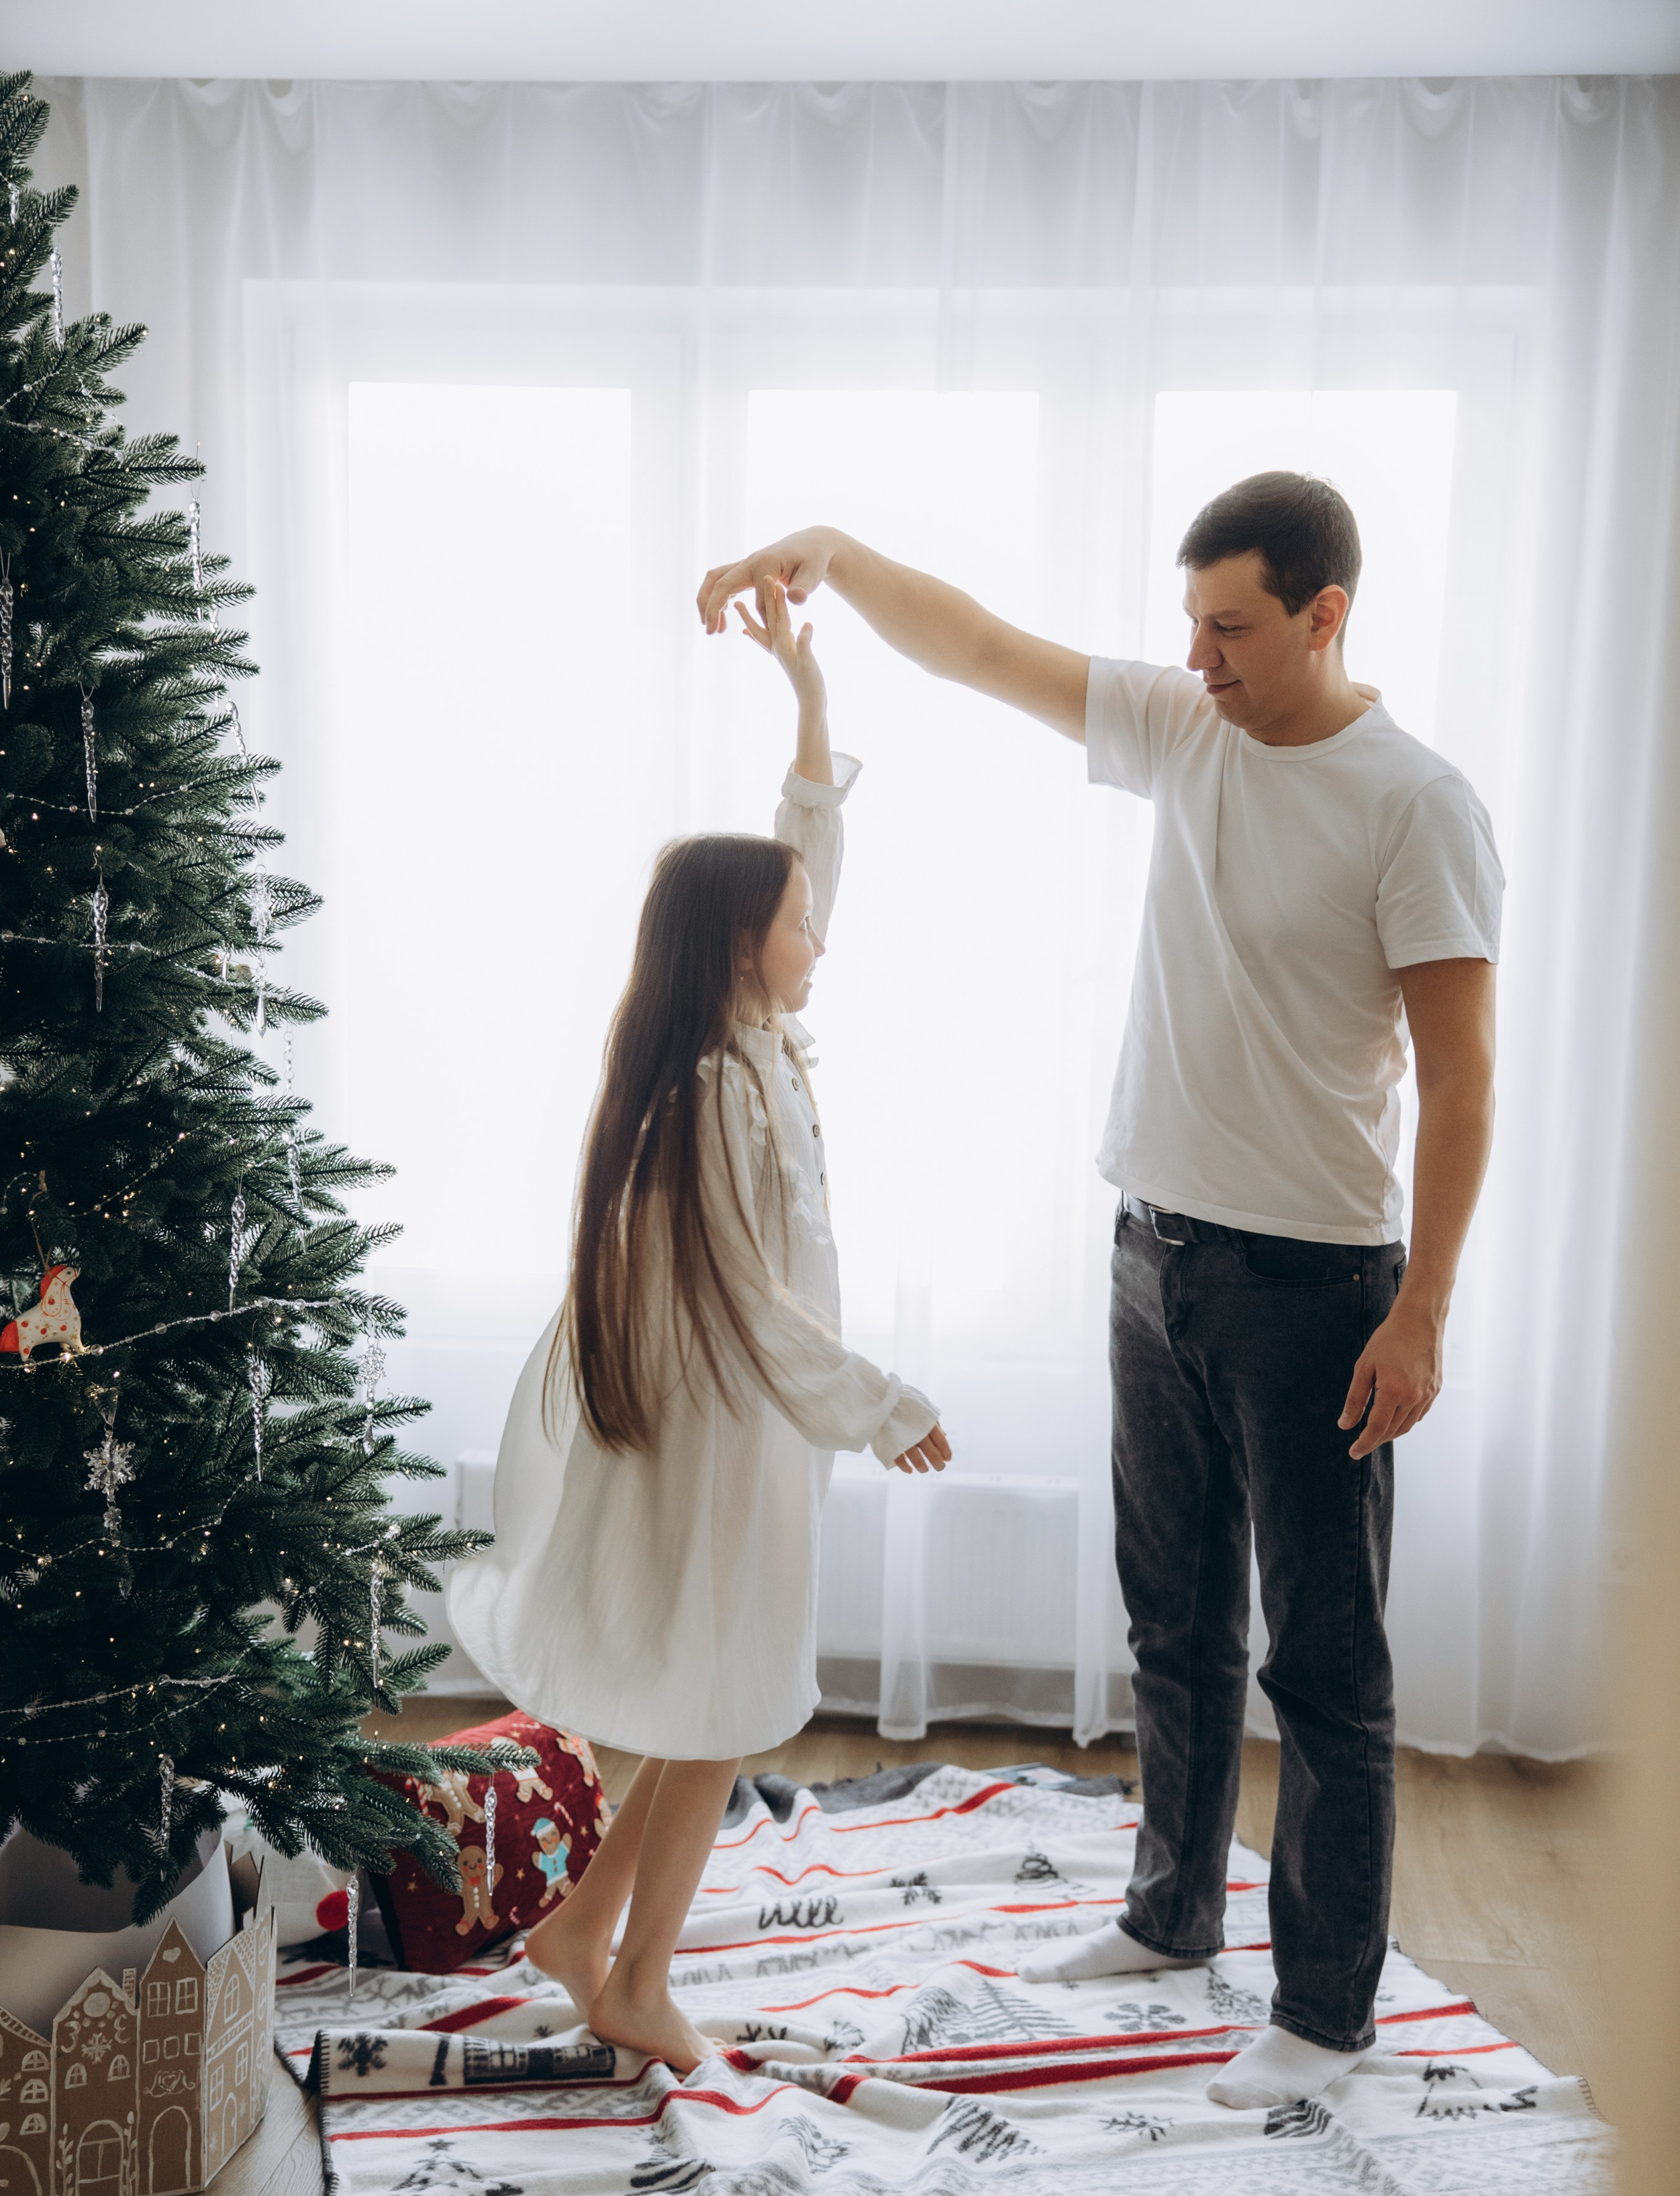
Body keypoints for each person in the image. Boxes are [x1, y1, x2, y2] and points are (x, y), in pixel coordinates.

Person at [697, 475, 1500, 2107]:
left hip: (1314, 1288)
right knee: (1173, 1625)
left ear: (1322, 616)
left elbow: (1463, 1076)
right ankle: (1167, 1917)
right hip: (1153, 1255)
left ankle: (1326, 2014)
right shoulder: (1186, 724)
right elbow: (983, 647)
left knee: (1324, 1665)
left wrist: (1418, 1311)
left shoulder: (1414, 803)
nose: (1193, 656)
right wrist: (839, 556)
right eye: (1186, 623)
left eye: (1230, 627)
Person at [450, 581, 950, 2074]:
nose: (822, 938)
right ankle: (637, 1972)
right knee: (718, 1704)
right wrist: (884, 1400)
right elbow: (748, 1295)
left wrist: (803, 689)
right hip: (727, 1419)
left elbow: (810, 841)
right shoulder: (719, 1089)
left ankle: (583, 1933)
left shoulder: (753, 1031)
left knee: (702, 1698)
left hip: (736, 1421)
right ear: (745, 943)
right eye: (801, 924)